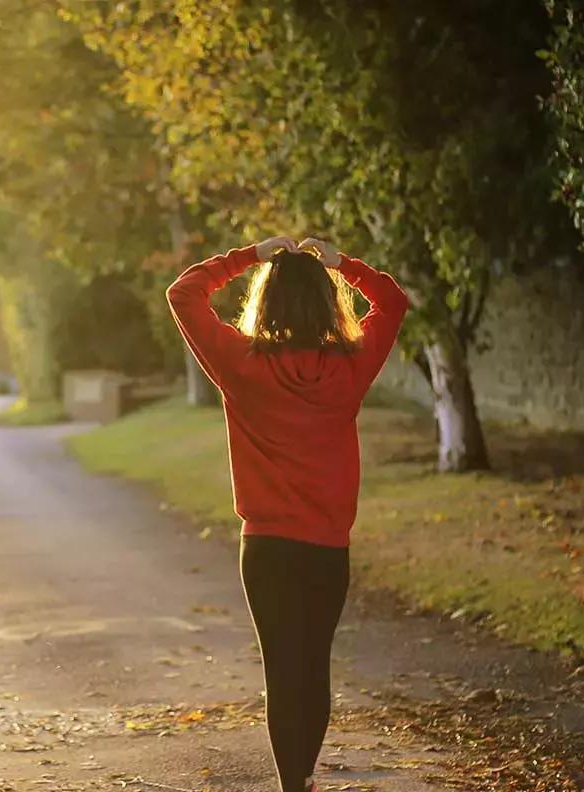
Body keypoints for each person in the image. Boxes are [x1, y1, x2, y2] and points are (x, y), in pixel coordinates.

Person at [165, 235, 410, 792]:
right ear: (328, 302)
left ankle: (292, 786)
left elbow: (184, 293)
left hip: (267, 547)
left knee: (282, 667)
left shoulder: (242, 365)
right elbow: (393, 303)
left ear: (266, 301)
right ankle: (304, 779)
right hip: (326, 547)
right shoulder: (348, 369)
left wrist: (249, 256)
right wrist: (342, 264)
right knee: (313, 663)